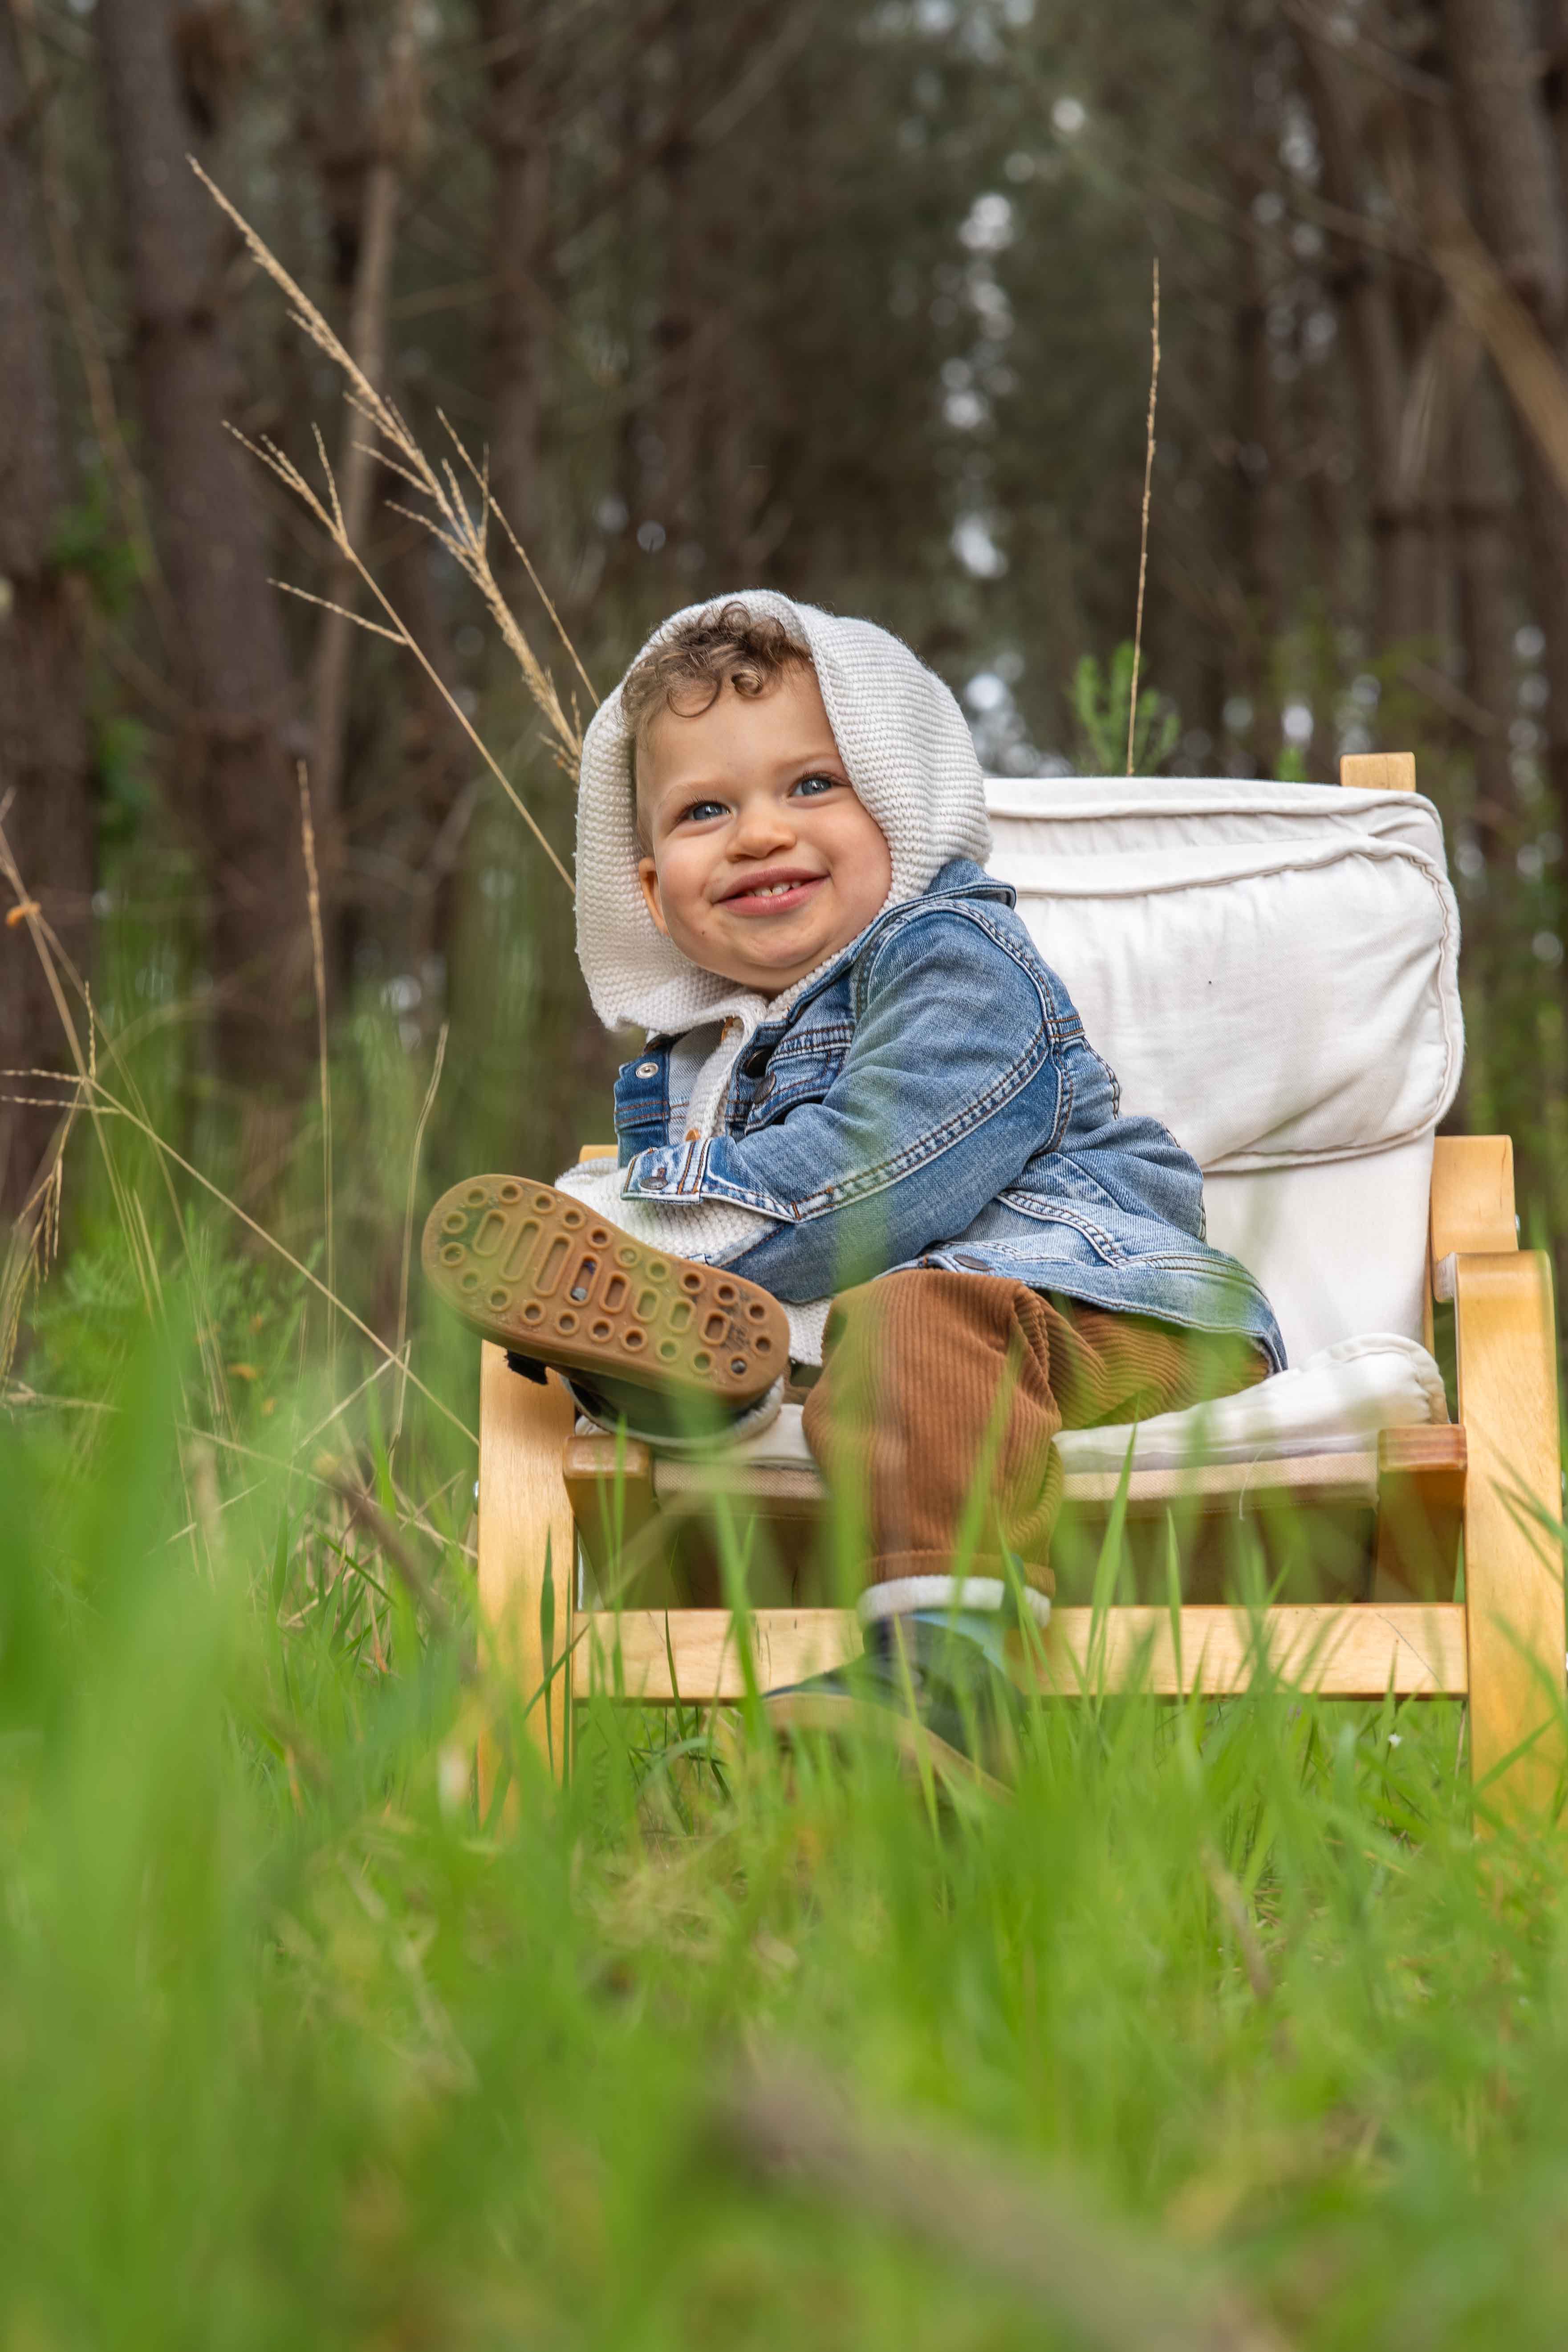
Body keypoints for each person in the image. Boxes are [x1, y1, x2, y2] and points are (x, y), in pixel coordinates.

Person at [424, 593, 1284, 1784]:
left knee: (911, 1315)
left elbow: (880, 1173)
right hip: (890, 1357)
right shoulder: (683, 1071)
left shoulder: (952, 958)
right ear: (650, 880)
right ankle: (688, 1382)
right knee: (841, 1329)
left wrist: (653, 1241)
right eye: (704, 809)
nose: (758, 832)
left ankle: (947, 1681)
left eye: (812, 784)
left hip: (1107, 1311)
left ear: (905, 797)